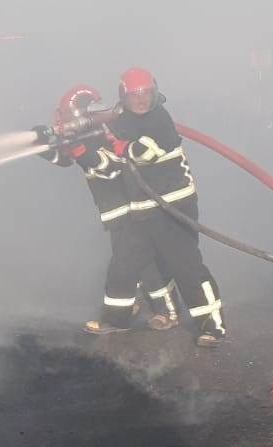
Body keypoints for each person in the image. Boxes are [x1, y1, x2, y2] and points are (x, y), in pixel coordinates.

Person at [83, 68, 225, 347]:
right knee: (124, 264)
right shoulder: (121, 121)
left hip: (174, 205)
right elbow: (110, 164)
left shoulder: (159, 118)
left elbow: (147, 151)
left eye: (146, 92)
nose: (142, 99)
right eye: (135, 94)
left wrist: (121, 145)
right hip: (142, 208)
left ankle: (212, 326)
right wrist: (80, 151)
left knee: (186, 266)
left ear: (155, 91)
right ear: (124, 95)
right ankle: (117, 320)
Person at [33, 85, 180, 333]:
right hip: (113, 210)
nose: (64, 123)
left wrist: (79, 150)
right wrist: (44, 147)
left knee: (143, 264)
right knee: (132, 263)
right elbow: (66, 160)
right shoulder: (79, 134)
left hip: (133, 206)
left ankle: (162, 311)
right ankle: (133, 307)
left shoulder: (107, 130)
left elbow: (111, 166)